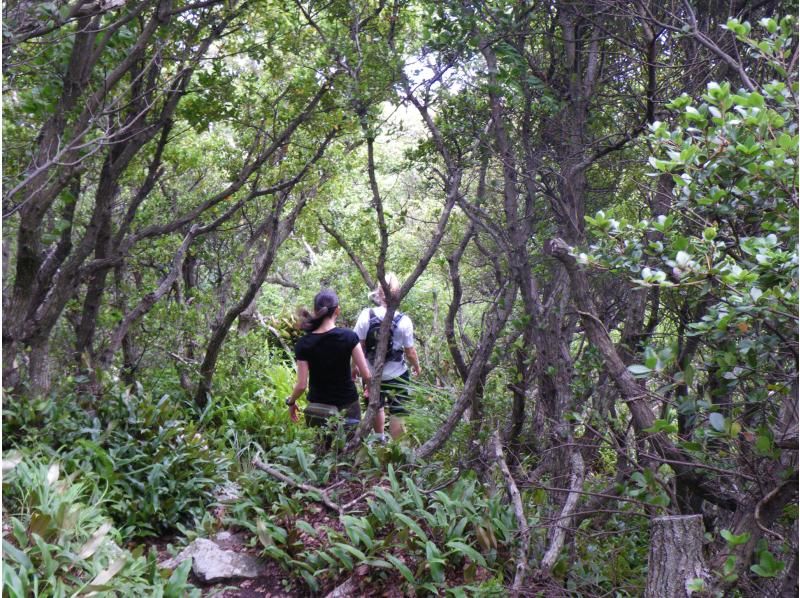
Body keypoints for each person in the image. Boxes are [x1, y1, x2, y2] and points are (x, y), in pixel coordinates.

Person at [286, 289, 372, 439]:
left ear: (315, 311)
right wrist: (370, 389)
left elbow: (301, 385)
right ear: (337, 310)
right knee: (350, 448)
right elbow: (366, 375)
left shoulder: (304, 343)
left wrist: (291, 402)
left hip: (319, 406)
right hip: (347, 403)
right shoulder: (349, 337)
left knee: (322, 448)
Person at [353, 273, 421, 441]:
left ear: (378, 292)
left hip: (371, 374)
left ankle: (379, 439)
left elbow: (357, 346)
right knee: (398, 411)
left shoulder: (366, 315)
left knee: (376, 405)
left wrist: (355, 367)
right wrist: (417, 367)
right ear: (397, 293)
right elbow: (410, 352)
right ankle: (397, 449)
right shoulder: (404, 320)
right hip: (397, 374)